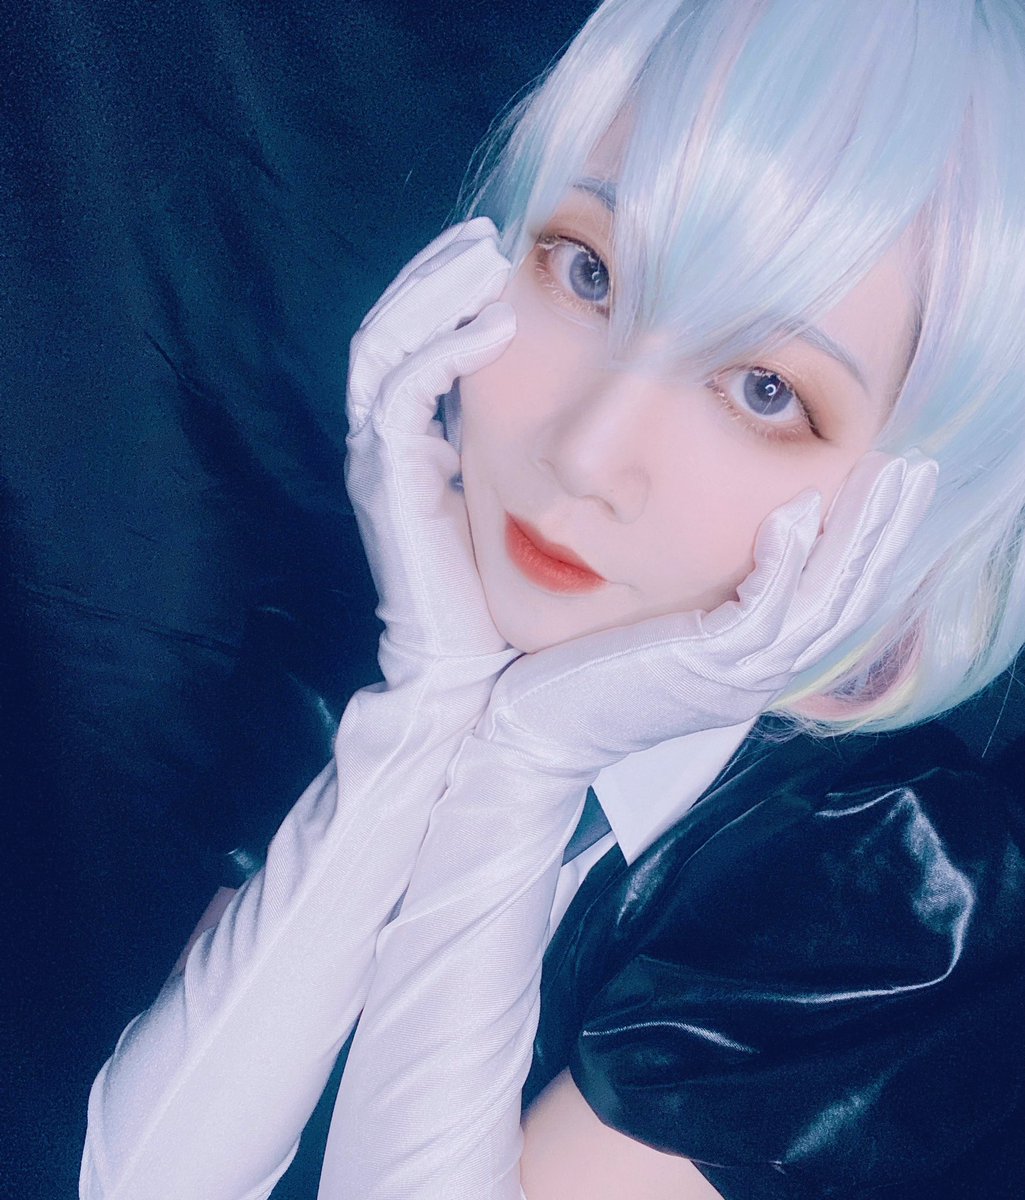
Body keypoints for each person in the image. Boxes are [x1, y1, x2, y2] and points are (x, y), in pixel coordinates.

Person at [81, 1, 1025, 1197]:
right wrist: (426, 703)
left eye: (763, 390)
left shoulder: (894, 882)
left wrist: (523, 764)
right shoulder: (371, 620)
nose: (585, 453)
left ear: (920, 503)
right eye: (588, 272)